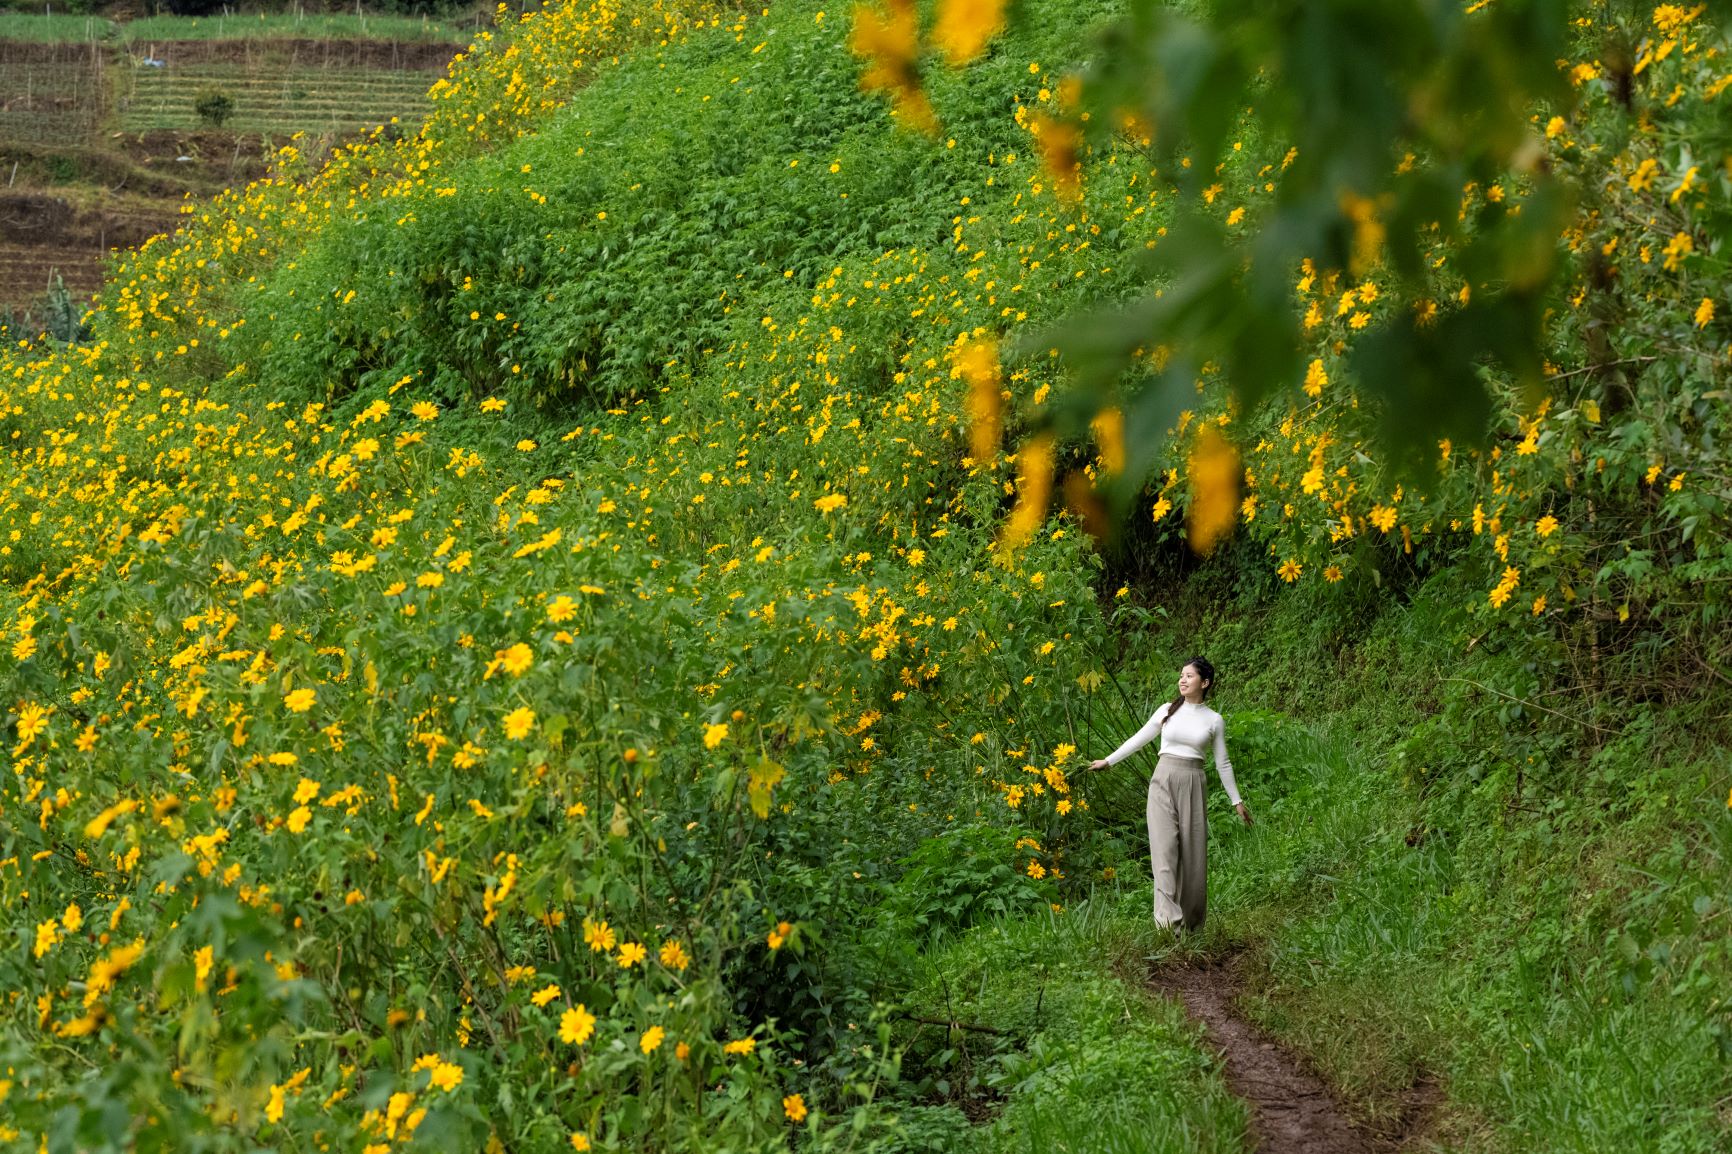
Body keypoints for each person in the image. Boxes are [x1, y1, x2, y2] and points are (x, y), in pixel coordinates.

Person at [1089, 655, 1251, 931]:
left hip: (1192, 782)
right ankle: (1167, 926)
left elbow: (1223, 762)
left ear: (1205, 682)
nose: (1182, 680)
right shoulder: (1167, 710)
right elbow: (1140, 738)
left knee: (1192, 858)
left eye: (1189, 675)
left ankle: (1192, 926)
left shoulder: (1214, 720)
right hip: (1162, 780)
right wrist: (1109, 760)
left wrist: (1236, 800)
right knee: (1164, 854)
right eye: (1181, 675)